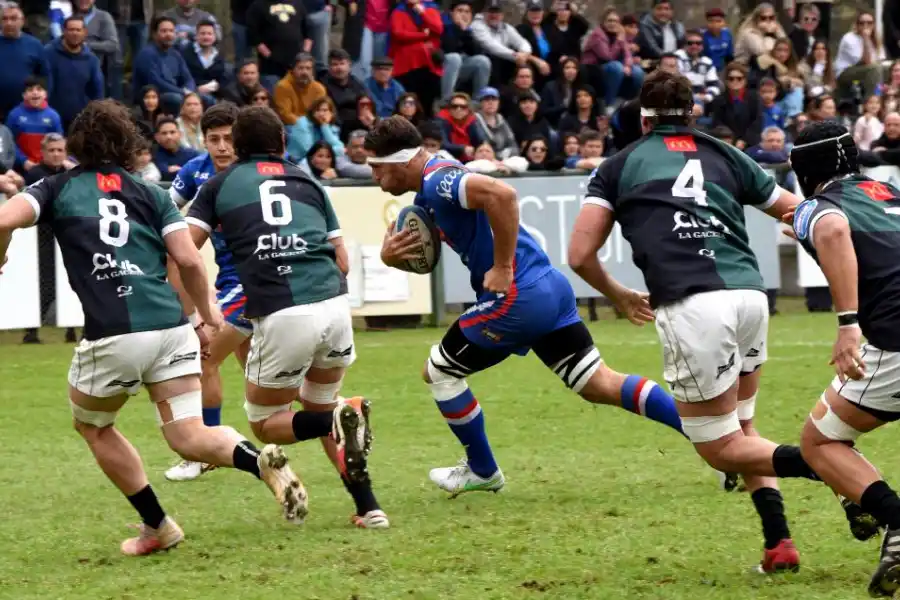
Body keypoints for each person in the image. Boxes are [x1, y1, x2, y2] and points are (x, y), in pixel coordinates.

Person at [566, 69, 843, 572]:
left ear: (643, 116)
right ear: (693, 113)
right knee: (744, 427)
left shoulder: (619, 165)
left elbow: (580, 255)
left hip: (694, 305)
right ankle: (779, 542)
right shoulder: (725, 153)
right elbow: (797, 212)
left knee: (719, 450)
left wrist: (620, 295)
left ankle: (834, 471)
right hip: (750, 297)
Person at [0, 99, 305, 555]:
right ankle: (256, 459)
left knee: (95, 427)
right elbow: (186, 260)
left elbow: (4, 218)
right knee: (189, 434)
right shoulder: (153, 193)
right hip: (169, 326)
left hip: (114, 334)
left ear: (79, 143)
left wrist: (1, 253)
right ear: (129, 143)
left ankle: (158, 525)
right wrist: (206, 316)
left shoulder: (55, 187)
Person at [368, 115, 689, 499]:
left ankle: (483, 469)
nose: (374, 177)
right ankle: (712, 440)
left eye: (376, 167)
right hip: (548, 287)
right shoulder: (429, 192)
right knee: (598, 383)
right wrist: (391, 258)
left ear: (401, 161)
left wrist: (502, 267)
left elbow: (502, 196)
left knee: (438, 371)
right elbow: (429, 251)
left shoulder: (438, 179)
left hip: (517, 297)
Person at [185, 105, 389, 529]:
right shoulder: (308, 180)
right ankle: (369, 508)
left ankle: (336, 417)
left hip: (280, 310)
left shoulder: (219, 185)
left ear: (237, 146)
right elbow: (343, 261)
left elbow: (184, 252)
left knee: (265, 423)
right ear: (282, 143)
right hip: (334, 306)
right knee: (322, 407)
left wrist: (197, 313)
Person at [788, 122, 900, 597]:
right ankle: (859, 499)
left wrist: (848, 323)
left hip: (893, 339)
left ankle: (894, 521)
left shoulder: (816, 207)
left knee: (821, 441)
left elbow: (832, 229)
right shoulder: (889, 190)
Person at [164, 102, 250, 481]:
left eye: (229, 138)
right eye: (213, 139)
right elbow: (164, 212)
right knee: (262, 375)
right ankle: (337, 415)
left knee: (205, 359)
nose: (221, 147)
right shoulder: (194, 172)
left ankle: (205, 449)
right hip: (229, 285)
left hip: (252, 286)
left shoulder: (250, 173)